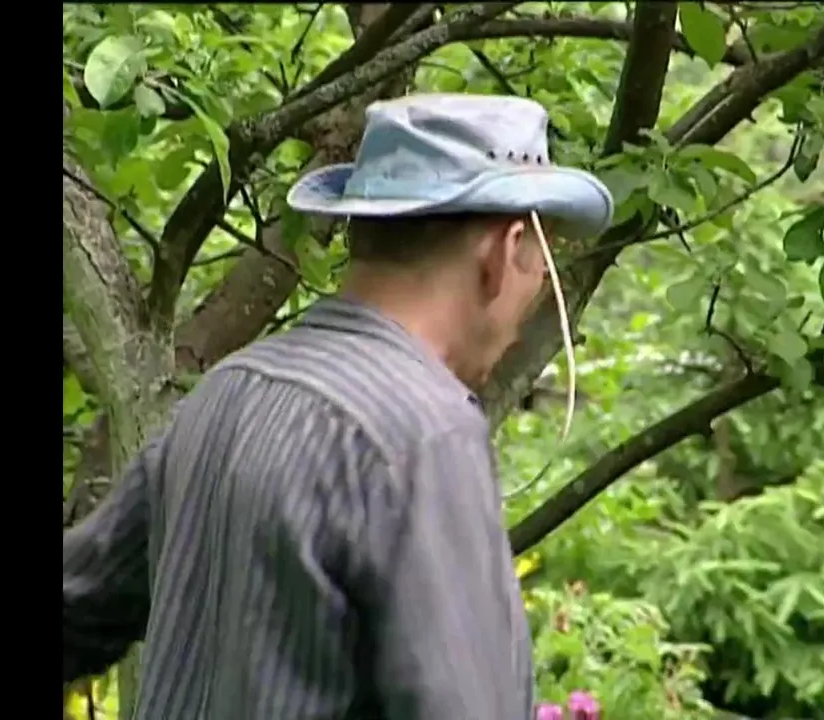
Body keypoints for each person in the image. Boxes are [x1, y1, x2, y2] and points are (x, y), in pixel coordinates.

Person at [62, 93, 614, 719]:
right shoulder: (424, 436)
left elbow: (77, 604)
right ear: (505, 249)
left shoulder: (225, 391)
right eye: (543, 255)